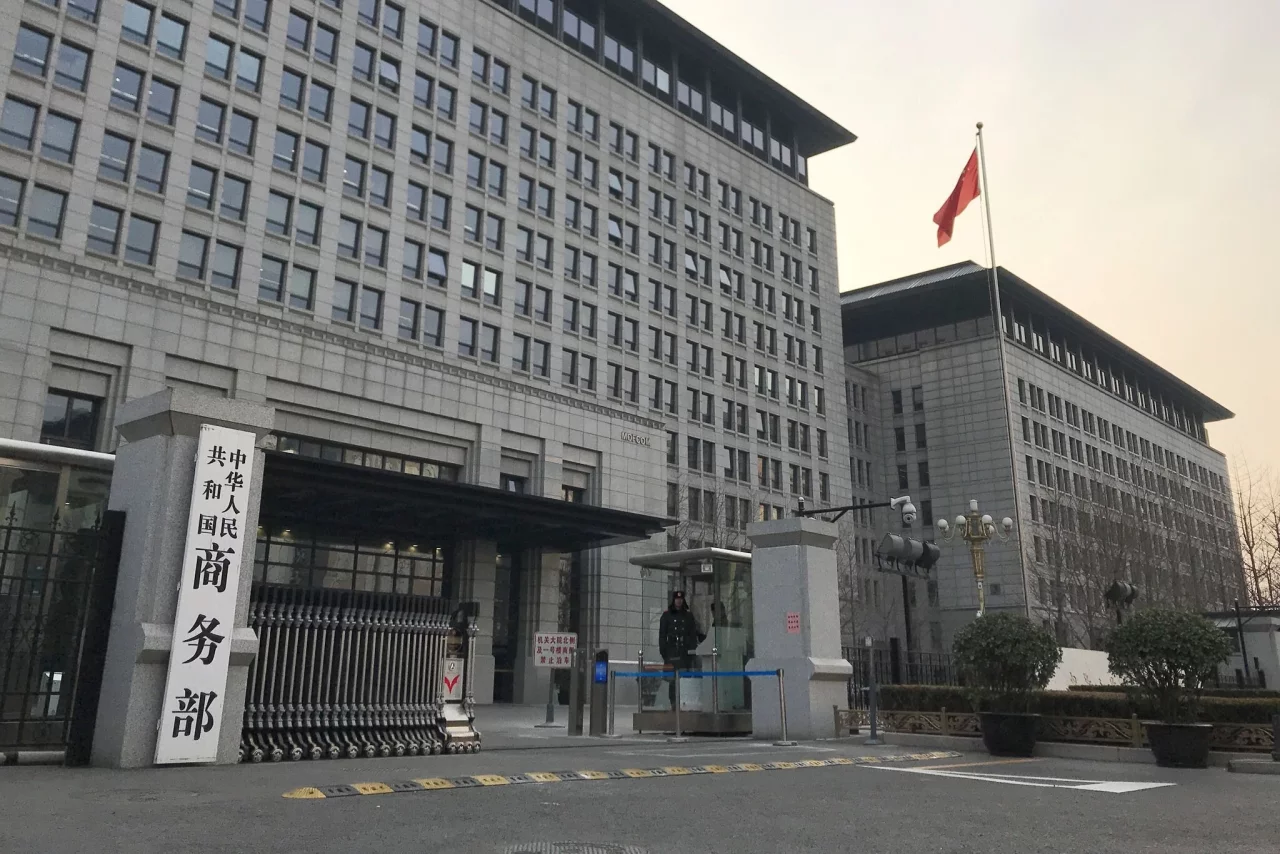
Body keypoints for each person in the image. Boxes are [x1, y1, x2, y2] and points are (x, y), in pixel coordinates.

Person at [658, 590, 705, 707]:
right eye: (677, 599)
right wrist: (664, 652)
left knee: (684, 679)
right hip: (672, 652)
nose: (679, 601)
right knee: (672, 681)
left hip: (684, 653)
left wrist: (691, 650)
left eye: (680, 599)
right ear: (673, 600)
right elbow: (662, 636)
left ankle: (683, 703)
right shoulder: (667, 615)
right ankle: (673, 703)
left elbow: (692, 634)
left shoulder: (688, 616)